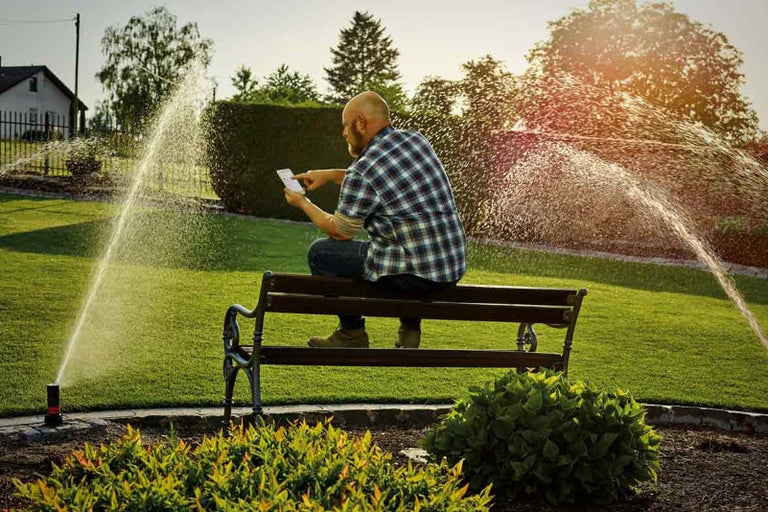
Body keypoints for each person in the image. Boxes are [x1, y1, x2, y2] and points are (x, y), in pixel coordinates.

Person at [283, 91, 466, 348]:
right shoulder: (416, 141)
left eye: (346, 125)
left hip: (413, 279)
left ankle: (351, 333)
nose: (344, 133)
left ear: (361, 123)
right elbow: (386, 178)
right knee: (407, 241)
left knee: (321, 253)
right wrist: (331, 174)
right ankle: (410, 330)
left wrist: (303, 202)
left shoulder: (363, 170)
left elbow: (341, 231)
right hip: (449, 269)